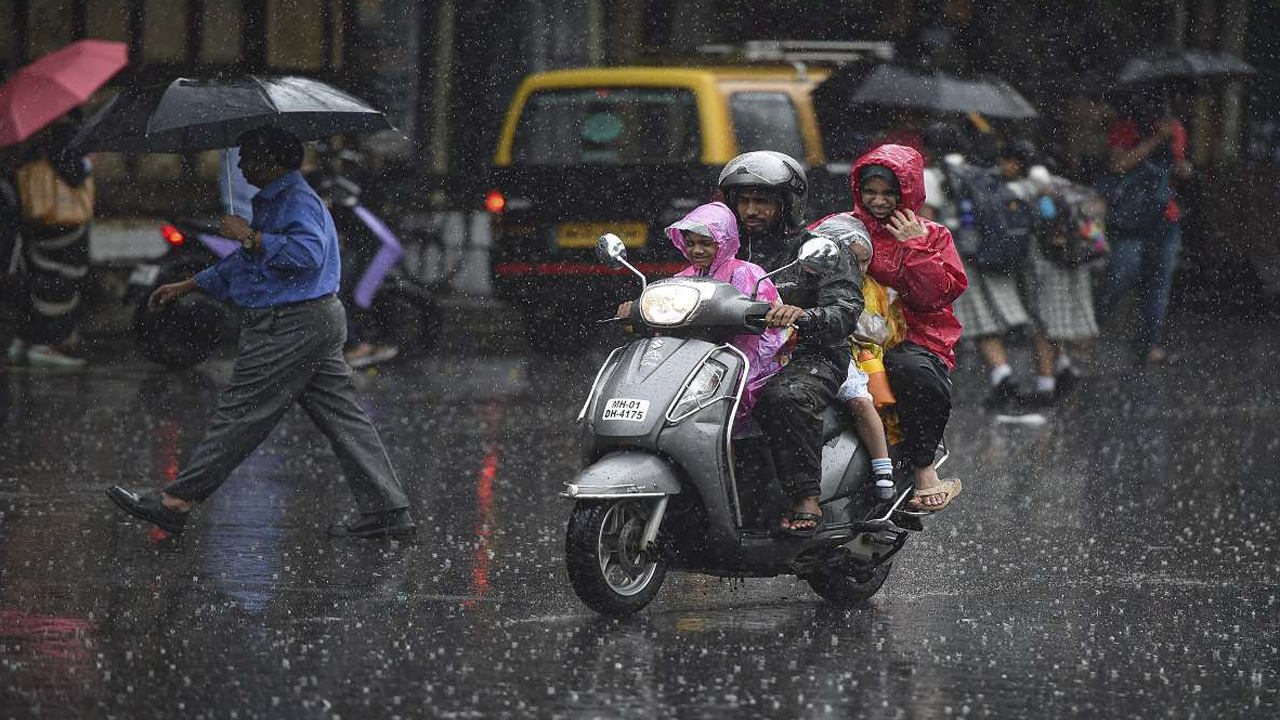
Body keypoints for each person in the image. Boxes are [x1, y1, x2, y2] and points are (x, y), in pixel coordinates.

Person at [106, 126, 414, 539]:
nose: (242, 165)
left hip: (290, 324)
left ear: (272, 163)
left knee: (241, 413)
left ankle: (174, 503)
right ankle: (388, 510)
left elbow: (307, 255)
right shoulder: (276, 199)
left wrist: (249, 235)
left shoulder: (295, 200)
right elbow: (251, 263)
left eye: (249, 157)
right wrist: (191, 284)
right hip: (314, 320)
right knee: (344, 418)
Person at [717, 151, 865, 537]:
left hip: (807, 355)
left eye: (762, 201)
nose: (751, 210)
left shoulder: (819, 251)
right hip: (730, 357)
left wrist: (804, 316)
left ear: (787, 204)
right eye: (743, 201)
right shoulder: (720, 249)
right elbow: (689, 282)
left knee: (784, 397)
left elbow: (844, 310)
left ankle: (804, 496)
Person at [843, 144, 967, 512]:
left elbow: (933, 298)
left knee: (913, 372)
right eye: (871, 192)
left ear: (907, 193)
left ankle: (924, 469)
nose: (879, 201)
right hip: (847, 332)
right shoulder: (840, 227)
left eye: (888, 194)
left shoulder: (934, 236)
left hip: (916, 337)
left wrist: (914, 247)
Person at [617, 201, 787, 424]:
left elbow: (769, 333)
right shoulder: (679, 280)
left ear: (724, 242)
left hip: (735, 369)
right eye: (690, 243)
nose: (696, 250)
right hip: (687, 370)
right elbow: (663, 332)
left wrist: (739, 370)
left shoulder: (748, 274)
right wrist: (635, 313)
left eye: (706, 243)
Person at [1095, 92, 1192, 365]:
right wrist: (1155, 140)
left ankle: (1147, 343)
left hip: (1165, 215)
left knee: (1159, 282)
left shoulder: (1176, 128)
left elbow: (1181, 169)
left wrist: (1181, 162)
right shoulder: (1125, 126)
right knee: (1122, 274)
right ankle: (1091, 328)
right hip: (1129, 215)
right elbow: (1118, 165)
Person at [948, 140, 1037, 408]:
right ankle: (1006, 378)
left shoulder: (950, 176)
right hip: (996, 257)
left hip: (965, 256)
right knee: (991, 323)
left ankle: (1004, 379)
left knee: (981, 325)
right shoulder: (1000, 183)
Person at [6, 118, 94, 368]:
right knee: (60, 286)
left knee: (36, 281)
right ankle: (46, 344)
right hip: (63, 228)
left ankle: (24, 341)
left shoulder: (31, 141)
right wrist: (86, 163)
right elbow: (74, 174)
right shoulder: (65, 136)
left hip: (36, 226)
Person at [835, 234, 902, 501]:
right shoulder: (816, 280)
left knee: (861, 401)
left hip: (860, 359)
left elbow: (881, 330)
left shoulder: (873, 290)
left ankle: (882, 469)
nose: (858, 269)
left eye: (864, 262)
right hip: (819, 353)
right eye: (851, 261)